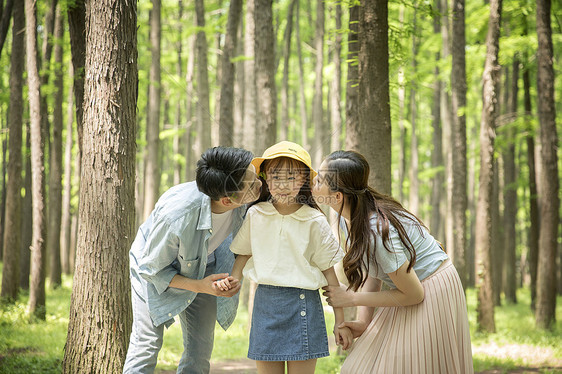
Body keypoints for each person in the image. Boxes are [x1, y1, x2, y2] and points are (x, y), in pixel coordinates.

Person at [313, 150, 473, 374]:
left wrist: (350, 298)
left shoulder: (374, 229)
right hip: (407, 288)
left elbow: (415, 294)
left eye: (319, 179)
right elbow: (374, 270)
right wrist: (363, 322)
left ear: (337, 196)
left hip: (430, 286)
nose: (313, 181)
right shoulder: (348, 219)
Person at [214, 141, 352, 374]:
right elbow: (243, 253)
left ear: (304, 181)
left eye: (291, 178)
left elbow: (330, 274)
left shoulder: (314, 220)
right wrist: (235, 279)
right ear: (266, 179)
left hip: (303, 304)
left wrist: (341, 322)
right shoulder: (256, 214)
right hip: (265, 304)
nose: (283, 185)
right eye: (276, 177)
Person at [123, 147, 262, 374]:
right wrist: (199, 286)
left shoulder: (241, 198)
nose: (260, 185)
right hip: (154, 268)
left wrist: (227, 279)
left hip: (206, 266)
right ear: (227, 200)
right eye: (252, 184)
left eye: (255, 176)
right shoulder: (177, 215)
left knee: (200, 349)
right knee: (146, 346)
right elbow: (151, 268)